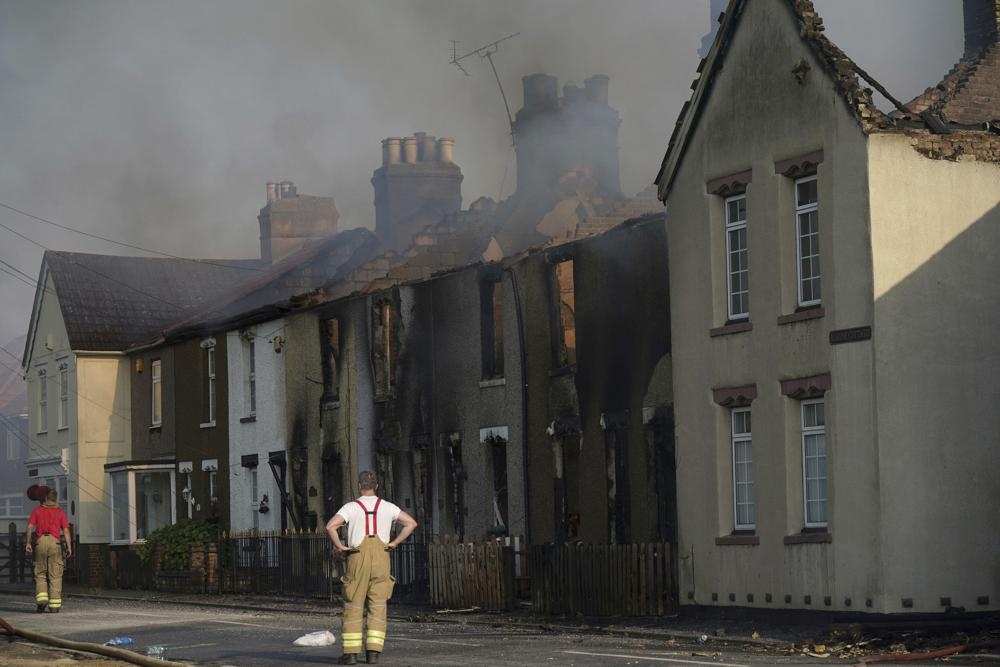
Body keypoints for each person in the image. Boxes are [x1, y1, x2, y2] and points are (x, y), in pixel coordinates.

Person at [325, 471, 417, 665]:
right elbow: (411, 523)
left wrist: (341, 546)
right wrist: (395, 543)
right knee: (378, 605)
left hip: (357, 558)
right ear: (376, 486)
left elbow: (330, 526)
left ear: (359, 486)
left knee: (353, 604)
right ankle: (373, 653)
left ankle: (351, 655)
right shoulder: (388, 507)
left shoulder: (350, 507)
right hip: (382, 558)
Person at [25, 487, 72, 613]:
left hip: (40, 542)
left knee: (40, 573)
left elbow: (30, 526)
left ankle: (42, 600)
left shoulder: (37, 511)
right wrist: (69, 546)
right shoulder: (60, 512)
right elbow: (66, 530)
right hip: (55, 542)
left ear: (45, 498)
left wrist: (28, 543)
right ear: (55, 499)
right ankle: (55, 606)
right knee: (55, 574)